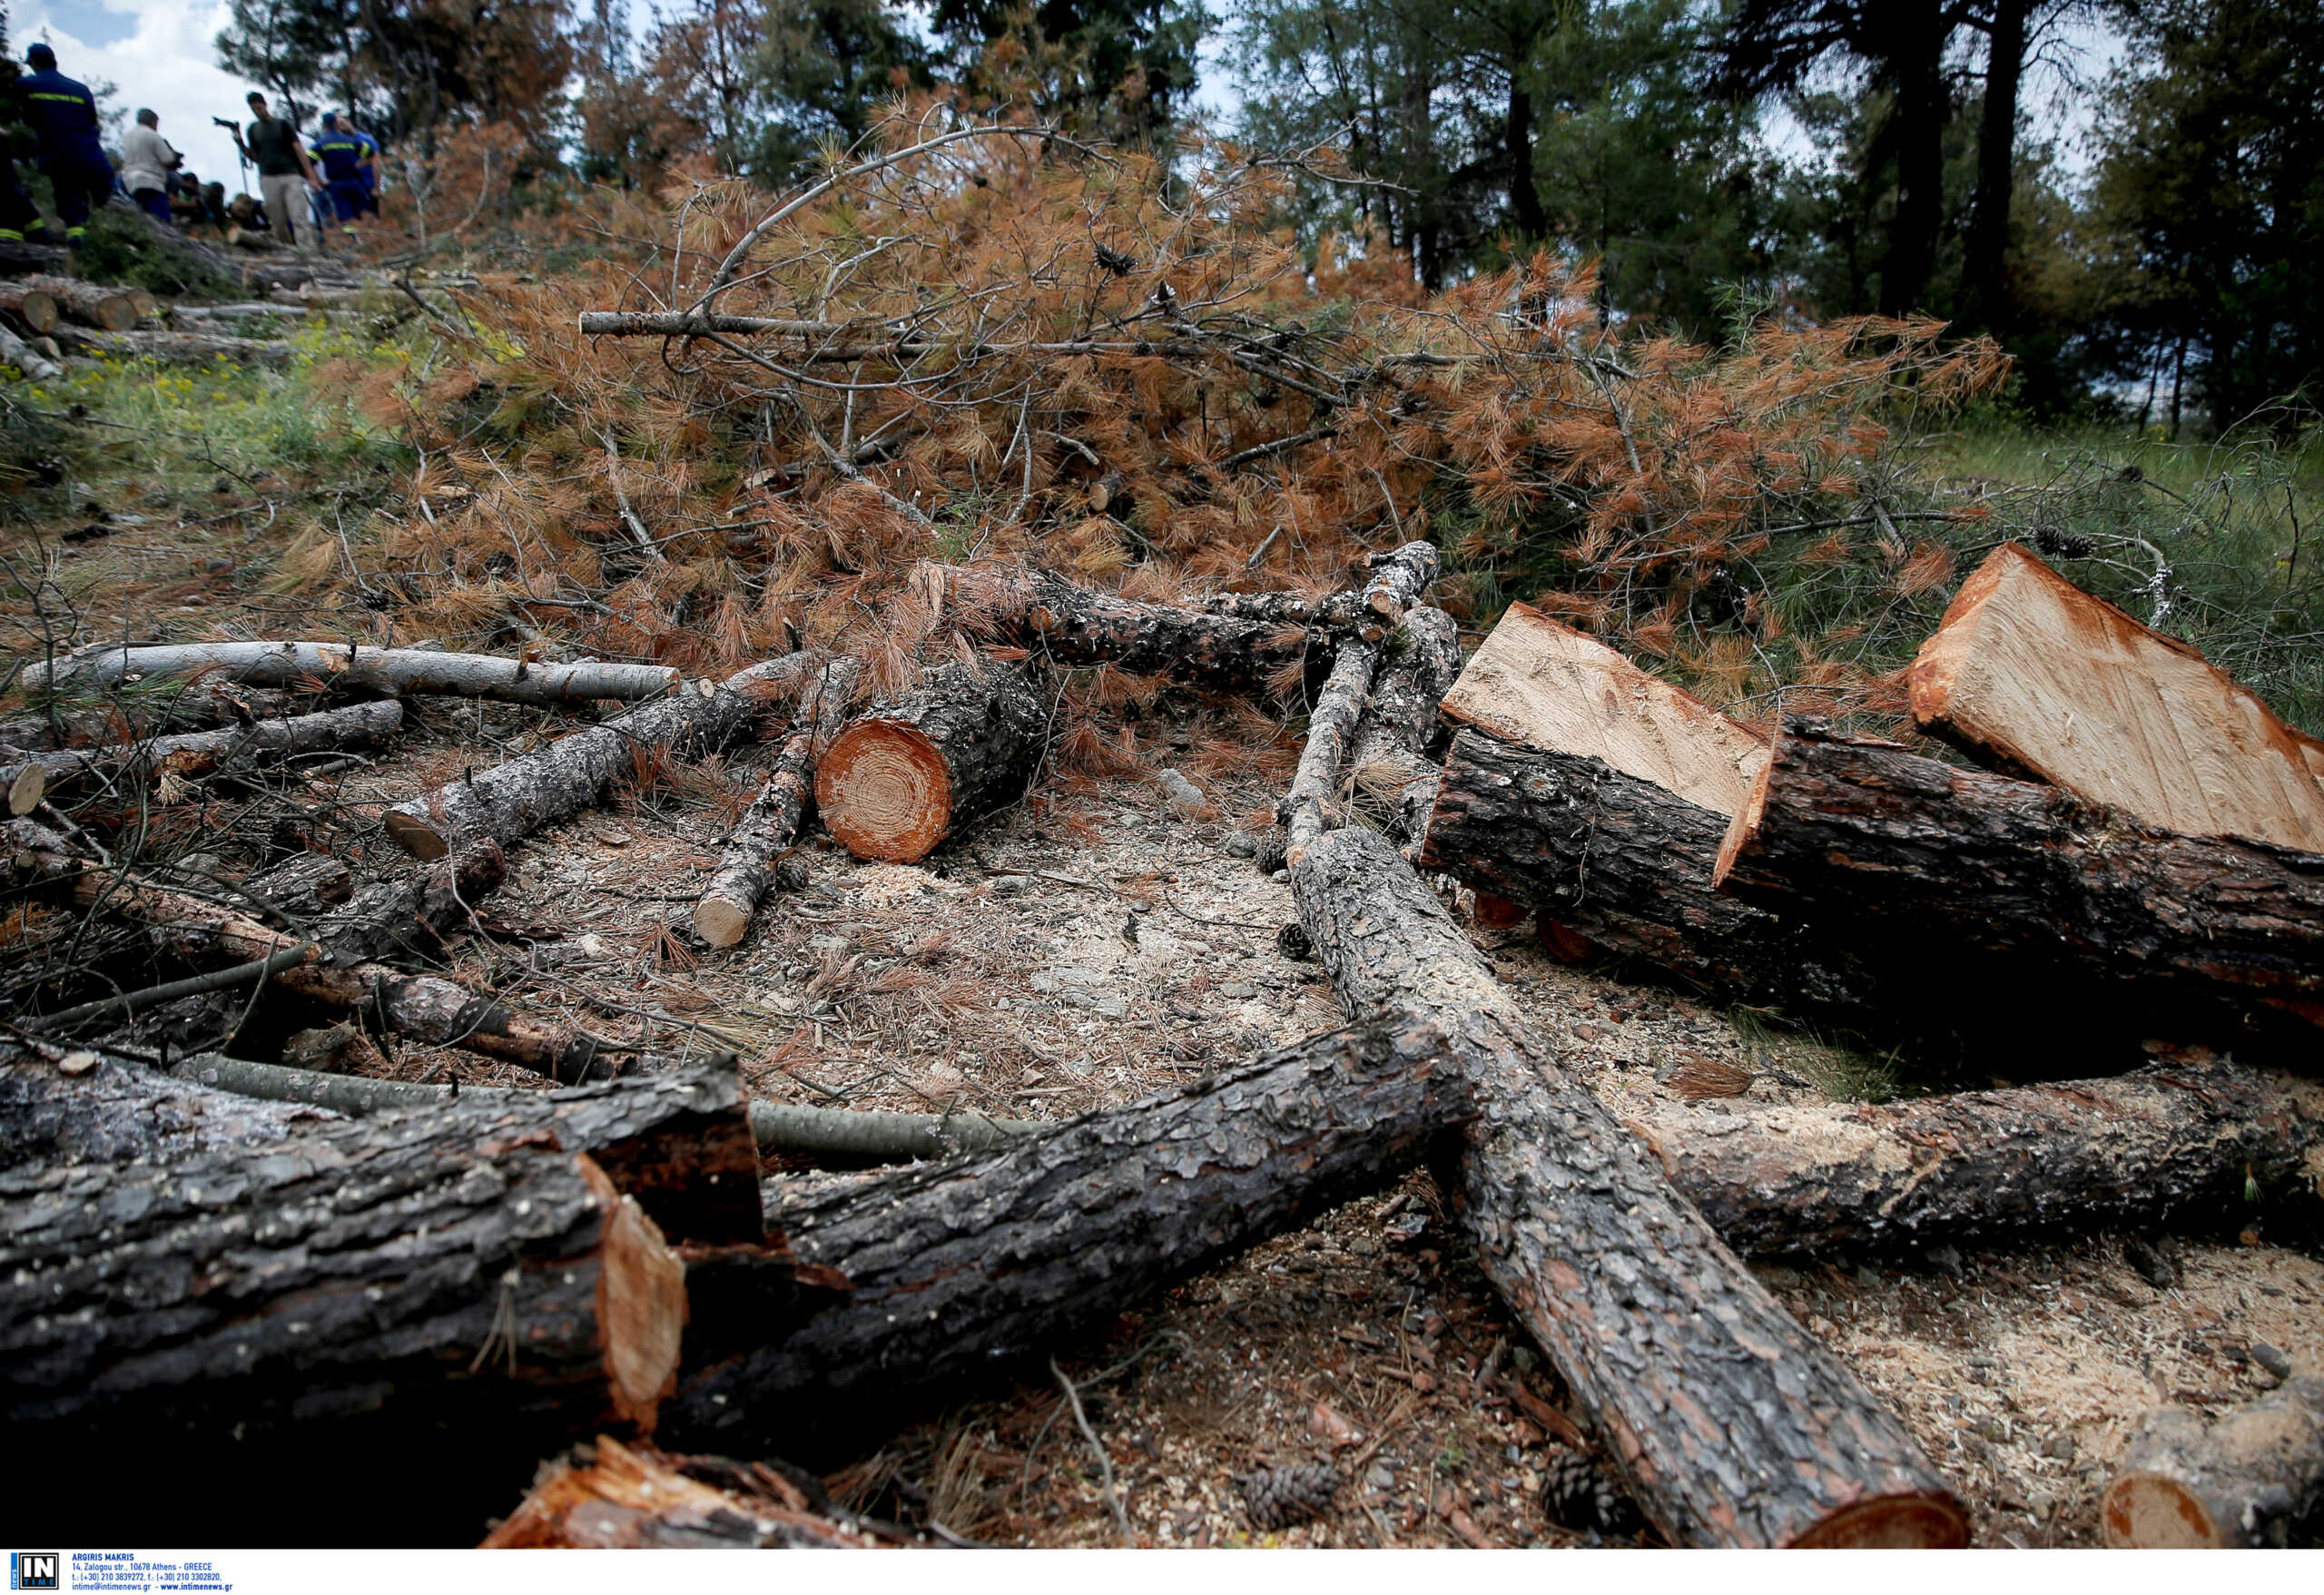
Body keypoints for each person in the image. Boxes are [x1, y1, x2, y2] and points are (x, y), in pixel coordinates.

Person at [18, 43, 113, 242]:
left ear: (33, 63)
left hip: (59, 155)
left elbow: (26, 118)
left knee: (73, 209)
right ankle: (115, 238)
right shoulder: (80, 89)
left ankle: (79, 248)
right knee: (108, 200)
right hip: (91, 155)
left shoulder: (26, 85)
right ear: (55, 62)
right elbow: (93, 122)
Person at [241, 90, 321, 251]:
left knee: (298, 214)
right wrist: (240, 144)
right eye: (254, 109)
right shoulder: (253, 129)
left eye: (259, 108)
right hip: (268, 177)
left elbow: (299, 150)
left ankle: (307, 250)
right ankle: (284, 249)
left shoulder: (282, 125)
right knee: (276, 219)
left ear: (265, 105)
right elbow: (256, 157)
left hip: (290, 174)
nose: (257, 112)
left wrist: (311, 177)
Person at [0, 54, 46, 243]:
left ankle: (32, 238)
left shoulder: (15, 95)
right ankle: (37, 238)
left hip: (6, 148)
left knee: (10, 192)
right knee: (11, 192)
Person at [307, 112, 372, 233]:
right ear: (336, 124)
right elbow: (369, 153)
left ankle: (352, 241)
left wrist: (319, 181)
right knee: (364, 215)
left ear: (324, 125)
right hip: (355, 182)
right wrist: (357, 165)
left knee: (345, 218)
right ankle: (372, 240)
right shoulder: (350, 141)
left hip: (336, 184)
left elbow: (308, 162)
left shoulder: (322, 143)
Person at [118, 107, 181, 227]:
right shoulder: (153, 135)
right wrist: (173, 156)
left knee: (137, 217)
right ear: (154, 122)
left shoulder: (127, 136)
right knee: (162, 222)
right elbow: (167, 160)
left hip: (128, 180)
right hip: (150, 182)